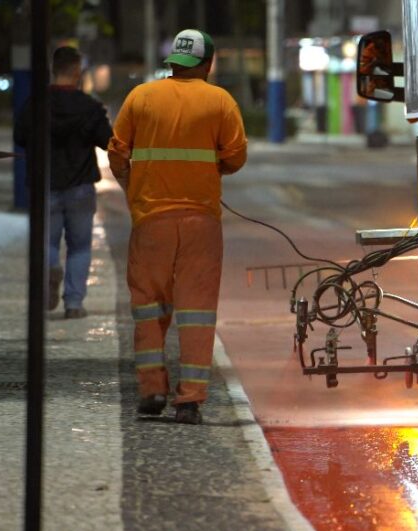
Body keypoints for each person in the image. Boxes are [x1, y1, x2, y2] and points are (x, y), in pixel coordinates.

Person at [108, 29, 247, 425]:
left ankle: (152, 390)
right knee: (198, 312)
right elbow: (235, 157)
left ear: (173, 61)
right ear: (207, 64)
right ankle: (189, 401)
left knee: (148, 307)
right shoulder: (220, 101)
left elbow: (117, 153)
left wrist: (133, 187)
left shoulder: (140, 98)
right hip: (202, 222)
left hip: (151, 222)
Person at [15, 46, 113, 319]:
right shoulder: (90, 107)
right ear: (77, 71)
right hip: (80, 186)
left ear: (53, 69)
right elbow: (108, 141)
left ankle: (49, 269)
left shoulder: (35, 103)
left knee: (46, 242)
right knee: (80, 246)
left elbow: (20, 136)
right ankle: (73, 304)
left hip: (44, 185)